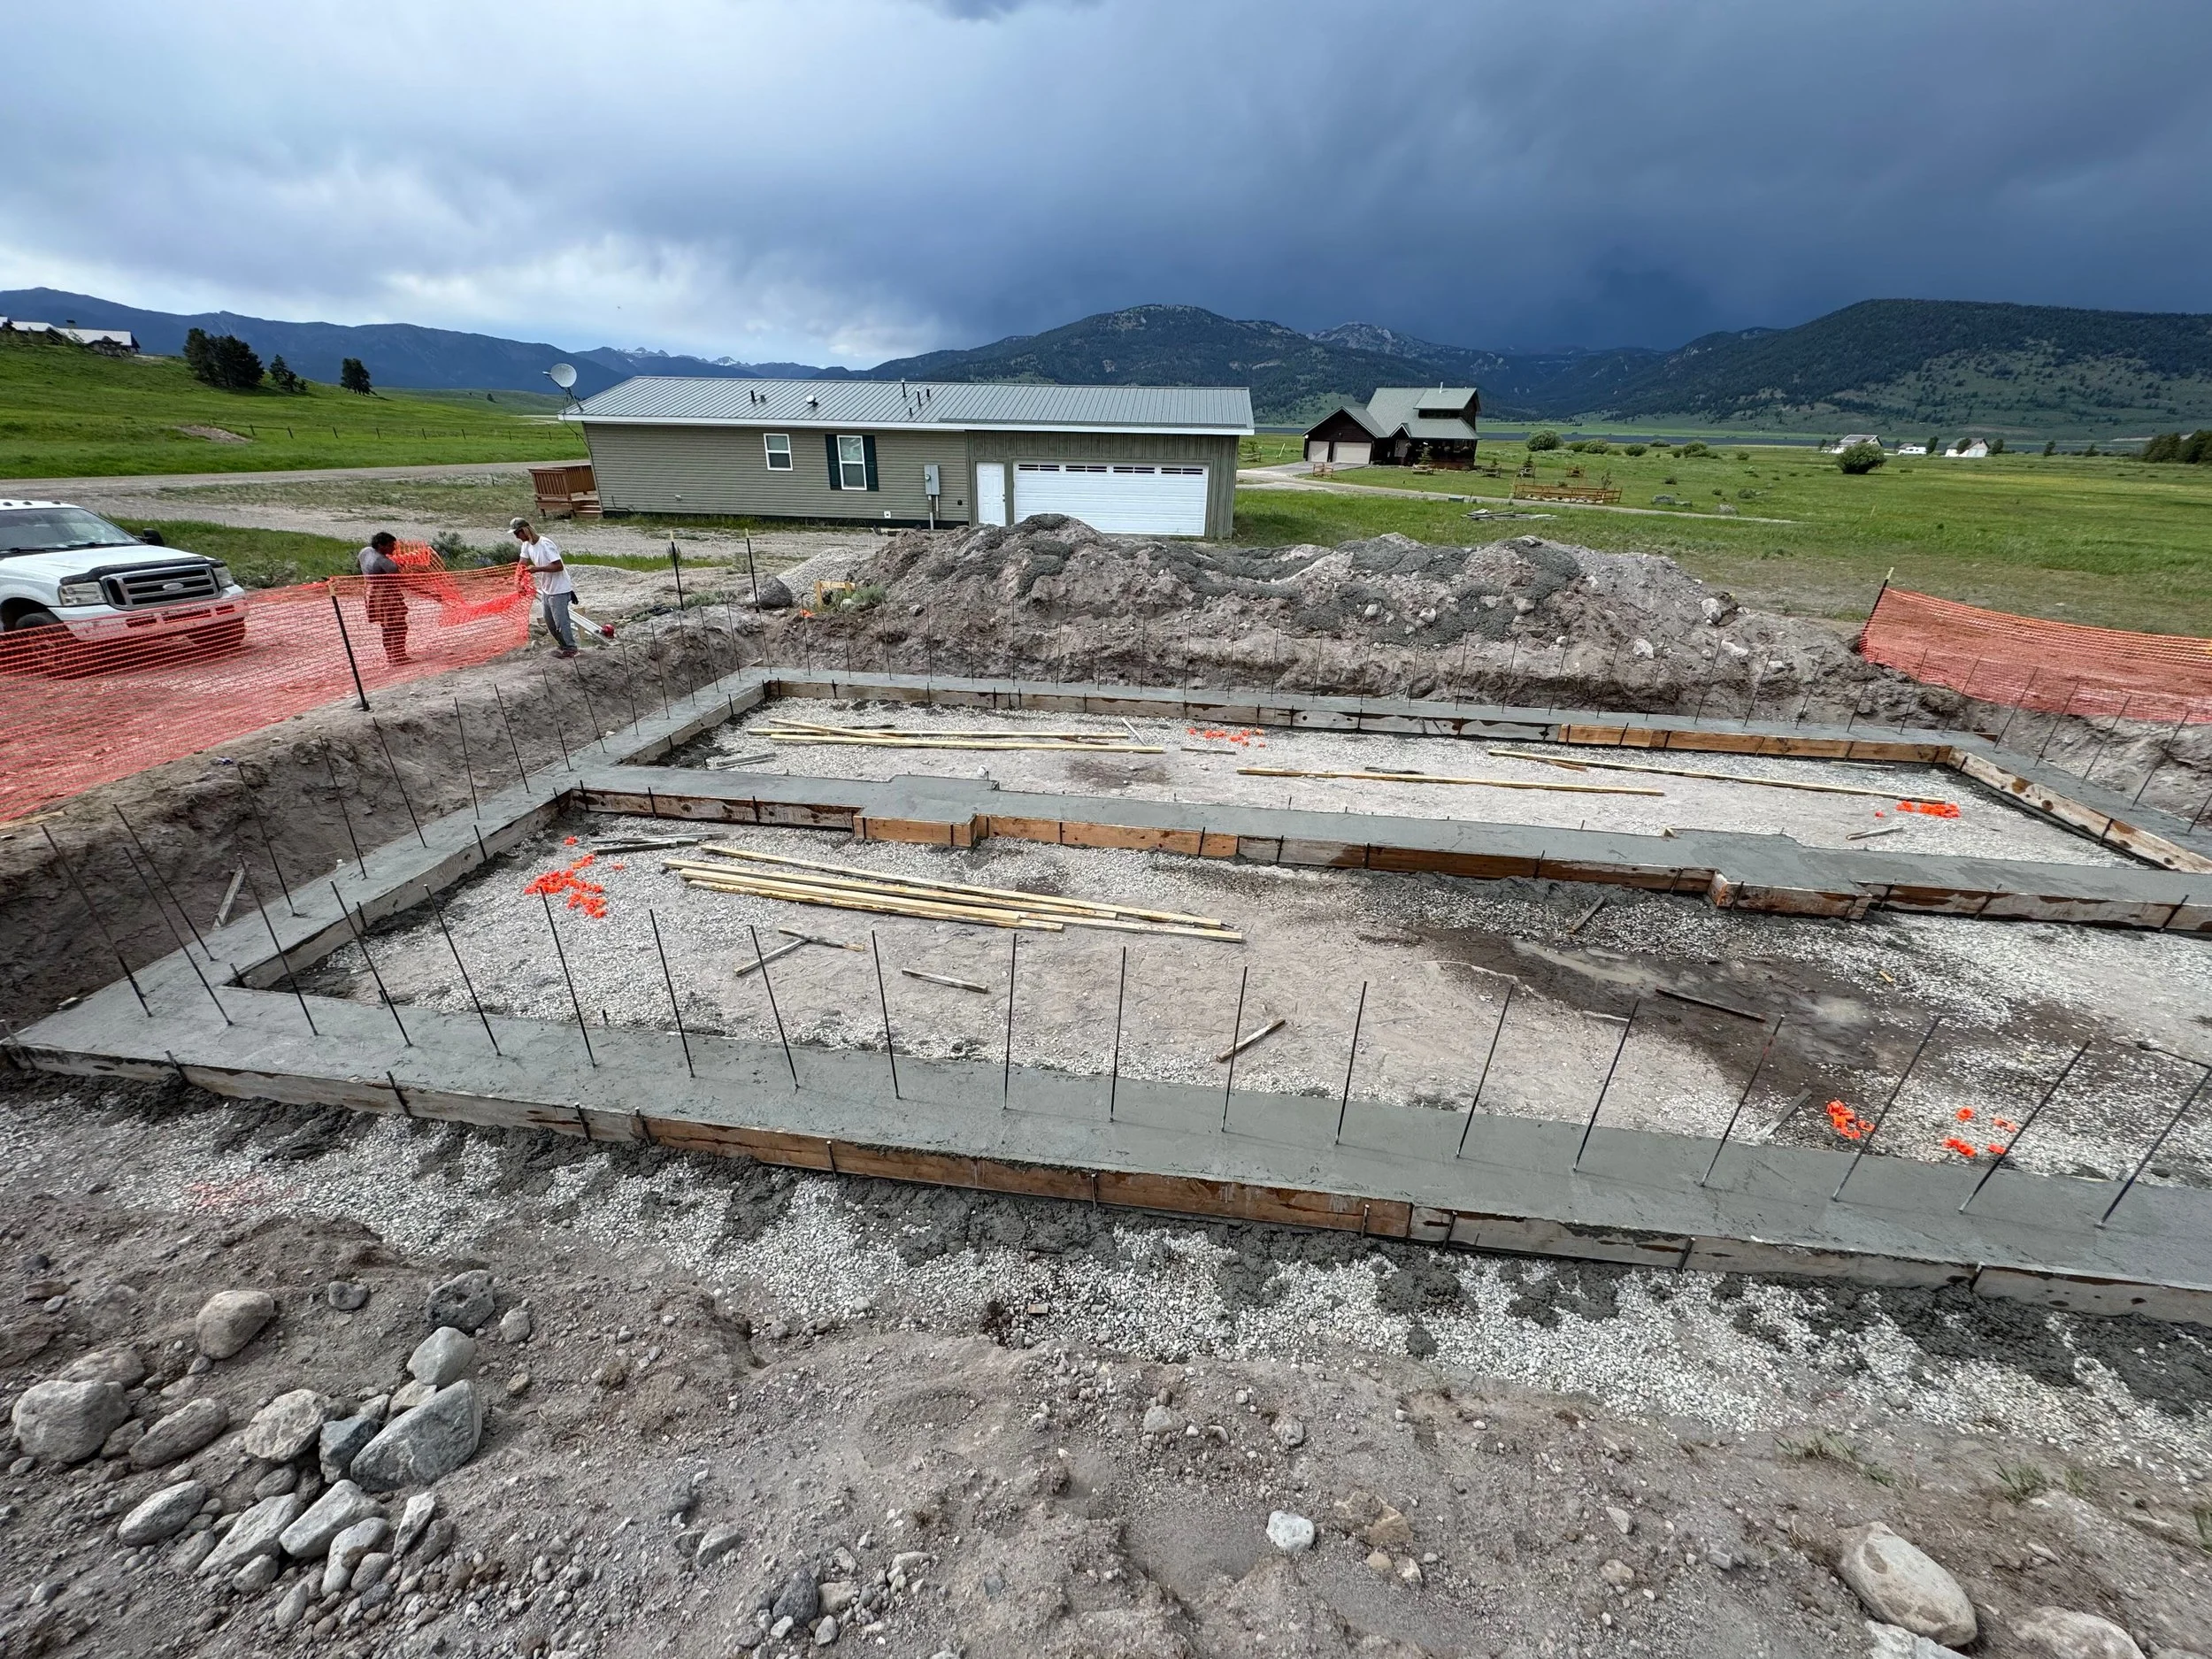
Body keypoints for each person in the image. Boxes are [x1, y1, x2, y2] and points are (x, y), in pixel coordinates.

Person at [510, 518, 577, 657]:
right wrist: (517, 580)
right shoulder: (526, 545)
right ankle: (563, 646)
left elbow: (558, 566)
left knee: (561, 621)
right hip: (547, 588)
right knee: (550, 621)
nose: (516, 537)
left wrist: (537, 569)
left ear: (525, 530)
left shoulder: (545, 544)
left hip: (559, 588)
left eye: (517, 533)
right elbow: (522, 563)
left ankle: (571, 648)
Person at [357, 530, 409, 663]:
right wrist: (430, 593)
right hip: (388, 595)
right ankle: (399, 656)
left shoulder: (365, 551)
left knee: (386, 625)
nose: (394, 548)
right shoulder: (385, 562)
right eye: (391, 545)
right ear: (381, 545)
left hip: (373, 593)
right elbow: (405, 582)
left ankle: (390, 655)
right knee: (399, 626)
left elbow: (359, 565)